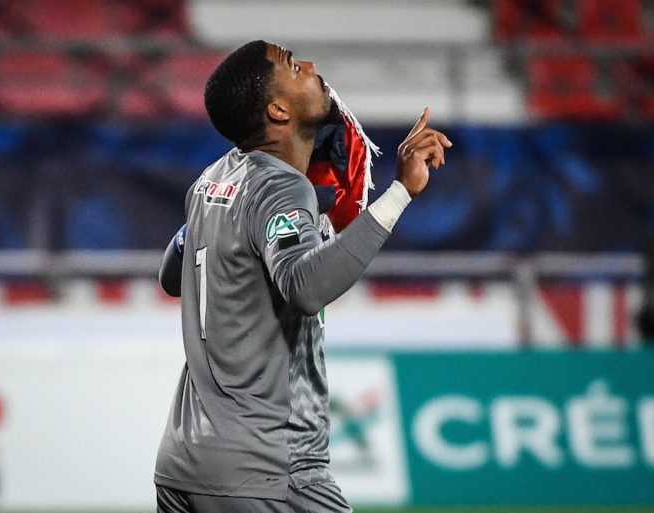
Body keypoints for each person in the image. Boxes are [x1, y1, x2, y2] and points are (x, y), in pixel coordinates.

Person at [154, 40, 452, 513]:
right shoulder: (281, 186)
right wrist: (400, 191)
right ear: (277, 109)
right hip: (269, 466)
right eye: (293, 66)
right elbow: (305, 287)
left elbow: (172, 276)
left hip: (183, 463)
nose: (310, 67)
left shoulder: (212, 180)